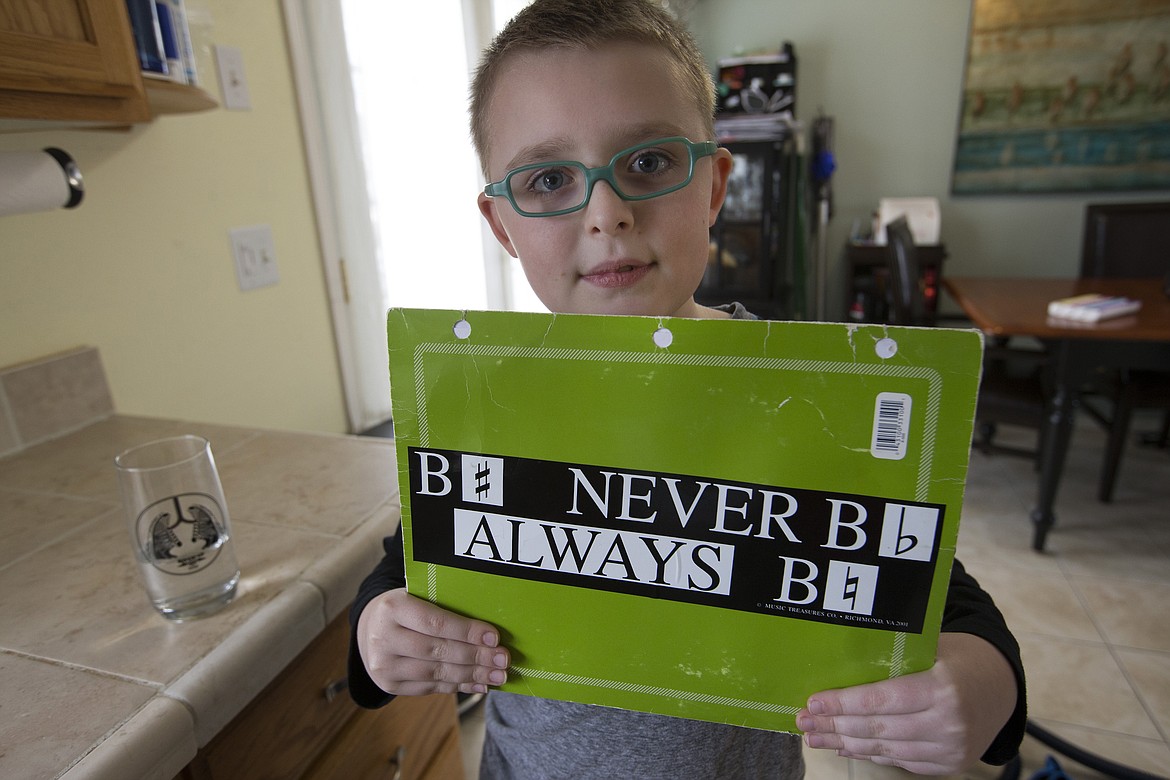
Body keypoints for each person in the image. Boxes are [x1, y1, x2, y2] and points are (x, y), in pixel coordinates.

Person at [350, 0, 1026, 776]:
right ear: (503, 228)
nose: (607, 214)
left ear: (713, 190)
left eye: (647, 163)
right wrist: (379, 629)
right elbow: (409, 559)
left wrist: (983, 684)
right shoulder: (487, 397)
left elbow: (925, 579)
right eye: (546, 178)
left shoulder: (796, 393)